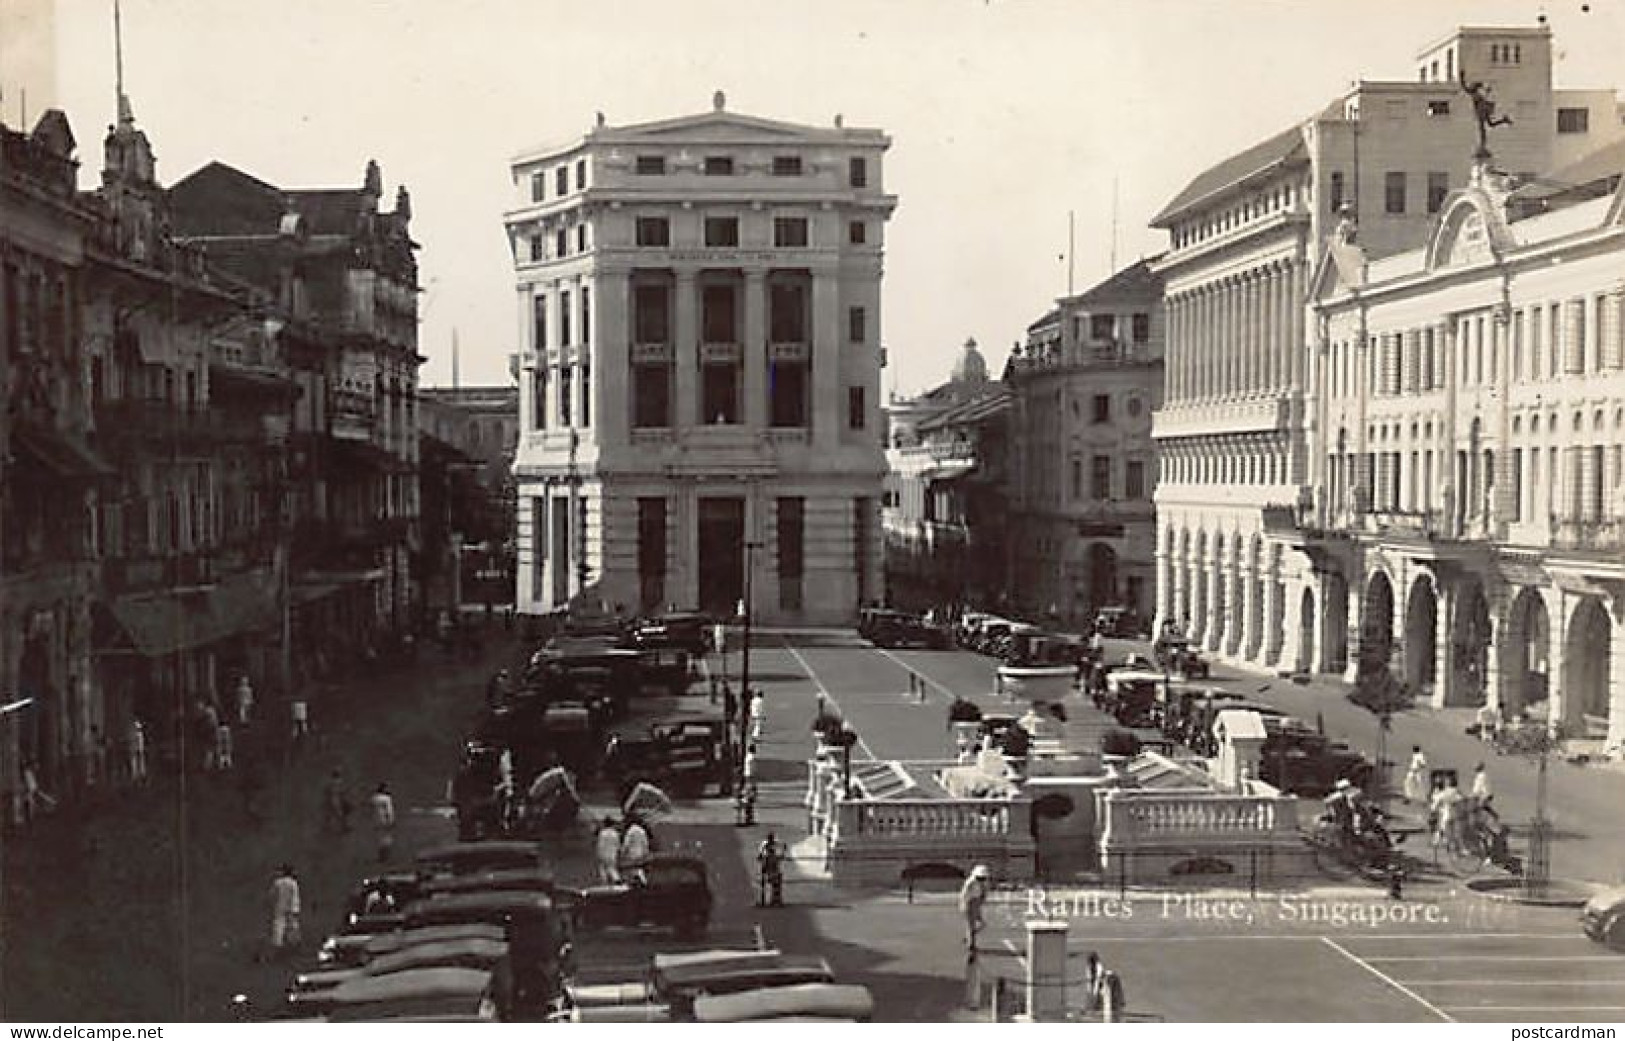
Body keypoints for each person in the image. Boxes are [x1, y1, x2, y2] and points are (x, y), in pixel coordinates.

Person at [267, 864, 302, 960]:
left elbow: (272, 895)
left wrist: (272, 904)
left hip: (280, 906)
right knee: (293, 926)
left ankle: (277, 943)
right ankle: (294, 943)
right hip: (291, 907)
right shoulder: (293, 883)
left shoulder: (277, 883)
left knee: (279, 925)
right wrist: (296, 908)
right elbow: (295, 896)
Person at [958, 864, 990, 949]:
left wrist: (981, 900)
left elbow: (984, 893)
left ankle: (968, 937)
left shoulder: (983, 882)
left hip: (976, 903)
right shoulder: (970, 882)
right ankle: (971, 944)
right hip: (968, 903)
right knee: (970, 925)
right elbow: (963, 894)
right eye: (980, 877)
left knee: (982, 924)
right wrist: (963, 905)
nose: (981, 879)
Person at [757, 831, 785, 907]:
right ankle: (764, 900)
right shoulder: (764, 845)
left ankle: (776, 900)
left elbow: (781, 855)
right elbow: (760, 856)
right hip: (767, 866)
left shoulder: (777, 844)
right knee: (766, 883)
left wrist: (782, 852)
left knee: (776, 883)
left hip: (773, 866)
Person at [619, 817, 651, 884]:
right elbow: (645, 843)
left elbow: (626, 843)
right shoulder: (642, 831)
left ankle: (639, 882)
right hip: (641, 852)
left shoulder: (630, 831)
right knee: (638, 867)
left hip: (632, 853)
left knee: (633, 868)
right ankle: (642, 881)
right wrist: (646, 852)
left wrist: (622, 852)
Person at [370, 783, 396, 863]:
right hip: (385, 820)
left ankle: (380, 856)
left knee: (379, 838)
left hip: (376, 820)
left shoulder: (374, 798)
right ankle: (385, 857)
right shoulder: (386, 798)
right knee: (387, 838)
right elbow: (389, 810)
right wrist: (391, 820)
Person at [323, 769, 352, 834]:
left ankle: (326, 826)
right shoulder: (338, 782)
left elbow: (327, 791)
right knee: (341, 814)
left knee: (332, 813)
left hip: (333, 799)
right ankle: (344, 827)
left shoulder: (330, 782)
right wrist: (346, 791)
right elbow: (341, 791)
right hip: (337, 800)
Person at [595, 818, 622, 884]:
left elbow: (600, 845)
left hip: (603, 854)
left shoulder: (602, 833)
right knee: (612, 868)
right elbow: (618, 845)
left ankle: (604, 883)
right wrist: (618, 853)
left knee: (602, 869)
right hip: (613, 854)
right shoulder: (615, 833)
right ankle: (616, 879)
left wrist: (598, 854)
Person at [128, 718, 148, 786]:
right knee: (136, 765)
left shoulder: (141, 735)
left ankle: (141, 777)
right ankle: (136, 778)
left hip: (140, 751)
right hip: (136, 751)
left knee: (141, 764)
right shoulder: (135, 734)